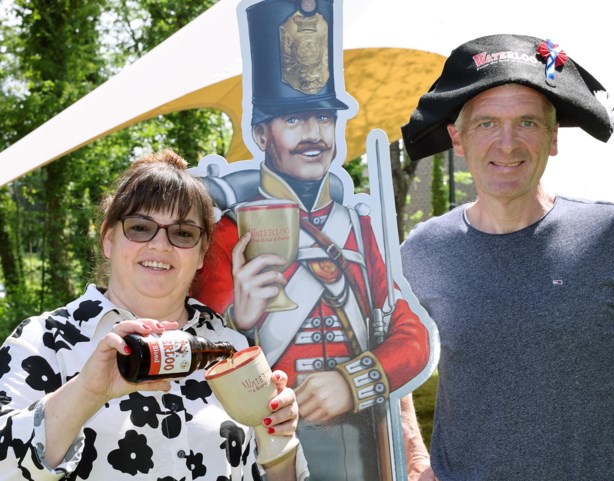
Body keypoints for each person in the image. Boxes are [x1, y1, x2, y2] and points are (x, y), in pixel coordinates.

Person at [398, 34, 614, 480]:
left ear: (553, 138)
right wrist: (414, 455)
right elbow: (382, 351)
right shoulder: (423, 251)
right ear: (457, 138)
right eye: (487, 123)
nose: (507, 144)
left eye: (527, 123)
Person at [192, 0, 432, 479]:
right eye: (295, 120)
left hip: (364, 444)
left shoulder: (359, 228)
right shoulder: (229, 233)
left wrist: (352, 383)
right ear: (261, 133)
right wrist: (239, 318)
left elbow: (413, 336)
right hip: (266, 443)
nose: (314, 135)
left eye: (323, 119)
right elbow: (197, 353)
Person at [0, 150, 308, 480]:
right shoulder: (46, 341)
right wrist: (87, 392)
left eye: (183, 233)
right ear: (108, 239)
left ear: (202, 253)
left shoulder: (230, 348)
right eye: (140, 227)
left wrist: (279, 438)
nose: (161, 245)